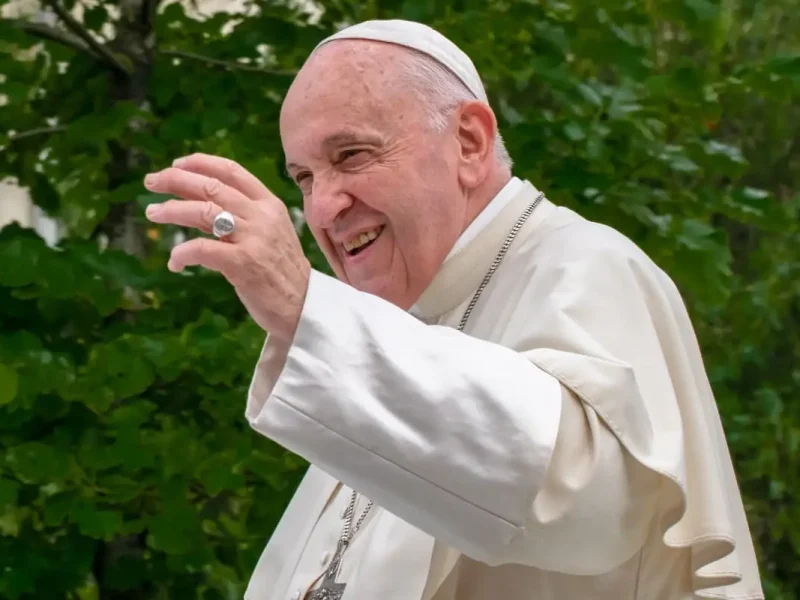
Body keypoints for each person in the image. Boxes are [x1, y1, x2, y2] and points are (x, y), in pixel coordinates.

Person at [143, 18, 764, 600]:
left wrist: (306, 307)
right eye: (303, 178)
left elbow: (596, 505)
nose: (324, 207)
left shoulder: (586, 265)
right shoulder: (405, 324)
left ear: (469, 141)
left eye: (351, 156)